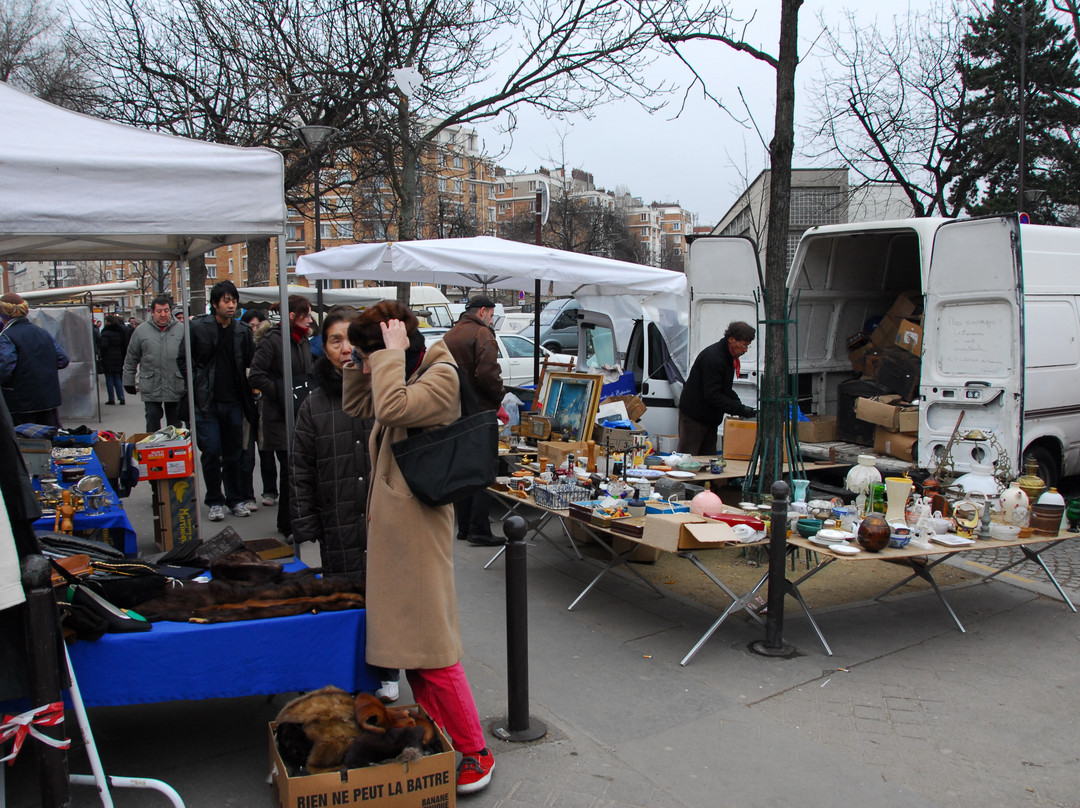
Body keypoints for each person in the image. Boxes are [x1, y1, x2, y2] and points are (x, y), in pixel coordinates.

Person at [342, 301, 494, 795]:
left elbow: (391, 407)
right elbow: (362, 405)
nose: (368, 363)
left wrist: (387, 355)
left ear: (401, 344)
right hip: (398, 530)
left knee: (434, 649)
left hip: (417, 530)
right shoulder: (408, 372)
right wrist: (357, 363)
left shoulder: (441, 375)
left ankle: (475, 751)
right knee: (414, 649)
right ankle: (445, 737)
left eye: (372, 354)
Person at [289, 305, 401, 703]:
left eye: (351, 339)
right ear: (324, 346)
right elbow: (300, 469)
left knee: (386, 597)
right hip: (337, 517)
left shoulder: (386, 393)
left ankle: (389, 669)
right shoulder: (313, 406)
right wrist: (305, 524)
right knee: (345, 598)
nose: (344, 348)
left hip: (383, 517)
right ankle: (349, 670)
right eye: (335, 340)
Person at [179, 280, 255, 522]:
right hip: (206, 402)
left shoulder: (242, 331)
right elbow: (183, 359)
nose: (231, 305)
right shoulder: (198, 328)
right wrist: (195, 383)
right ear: (215, 304)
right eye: (226, 300)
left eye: (233, 300)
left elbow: (250, 363)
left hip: (234, 401)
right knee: (211, 451)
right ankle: (214, 500)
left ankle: (235, 498)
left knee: (234, 453)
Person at [441, 294, 504, 546]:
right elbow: (487, 373)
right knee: (482, 470)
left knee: (462, 469)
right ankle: (479, 529)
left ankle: (464, 526)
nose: (491, 319)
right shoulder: (482, 334)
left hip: (455, 411)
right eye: (491, 314)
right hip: (478, 411)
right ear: (482, 312)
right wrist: (498, 397)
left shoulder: (451, 334)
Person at [248, 295, 313, 537]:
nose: (310, 319)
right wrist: (282, 390)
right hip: (279, 416)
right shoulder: (273, 341)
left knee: (297, 471)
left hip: (300, 412)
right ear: (292, 316)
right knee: (289, 471)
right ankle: (287, 525)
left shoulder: (303, 341)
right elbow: (256, 375)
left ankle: (293, 521)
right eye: (305, 315)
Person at [677, 320, 757, 456]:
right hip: (695, 416)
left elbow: (724, 388)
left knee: (708, 458)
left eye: (747, 346)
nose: (745, 350)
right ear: (731, 340)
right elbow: (712, 394)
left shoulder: (728, 357)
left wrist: (739, 405)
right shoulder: (714, 358)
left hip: (709, 417)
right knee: (687, 458)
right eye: (743, 345)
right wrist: (739, 409)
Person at [0, 292, 70, 427]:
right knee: (50, 441)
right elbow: (63, 359)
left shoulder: (7, 336)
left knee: (26, 443)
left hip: (20, 401)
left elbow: (4, 369)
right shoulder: (43, 332)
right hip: (48, 398)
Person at [123, 296, 186, 431]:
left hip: (176, 384)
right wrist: (128, 380)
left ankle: (174, 449)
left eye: (166, 310)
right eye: (159, 311)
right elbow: (131, 357)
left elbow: (192, 357)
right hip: (151, 384)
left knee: (175, 423)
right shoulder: (141, 331)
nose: (163, 314)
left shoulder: (182, 330)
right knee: (152, 418)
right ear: (152, 312)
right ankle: (153, 449)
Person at [98, 314, 130, 405]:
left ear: (108, 322)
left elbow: (104, 346)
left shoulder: (105, 332)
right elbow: (124, 344)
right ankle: (121, 397)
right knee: (117, 378)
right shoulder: (119, 331)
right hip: (118, 356)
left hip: (108, 357)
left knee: (109, 378)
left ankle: (111, 399)